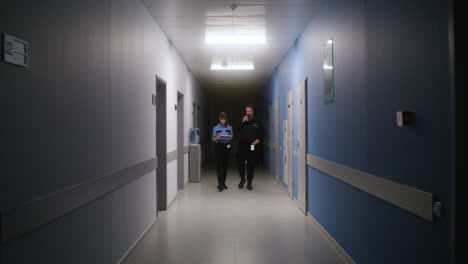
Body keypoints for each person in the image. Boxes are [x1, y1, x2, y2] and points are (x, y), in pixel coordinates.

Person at [237, 105, 263, 190]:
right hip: (242, 145)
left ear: (252, 112)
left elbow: (262, 132)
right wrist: (242, 122)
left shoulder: (257, 121)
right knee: (240, 163)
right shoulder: (242, 120)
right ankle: (242, 179)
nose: (248, 113)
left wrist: (258, 139)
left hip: (252, 145)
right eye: (246, 111)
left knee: (251, 164)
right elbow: (237, 130)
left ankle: (249, 182)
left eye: (249, 111)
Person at [212, 112, 233, 191]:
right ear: (219, 119)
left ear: (226, 119)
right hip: (218, 146)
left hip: (226, 146)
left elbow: (231, 137)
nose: (223, 121)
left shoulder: (229, 128)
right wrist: (217, 137)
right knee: (219, 165)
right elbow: (213, 139)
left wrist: (229, 137)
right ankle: (220, 183)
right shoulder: (216, 128)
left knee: (225, 165)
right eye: (221, 119)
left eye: (224, 119)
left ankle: (224, 183)